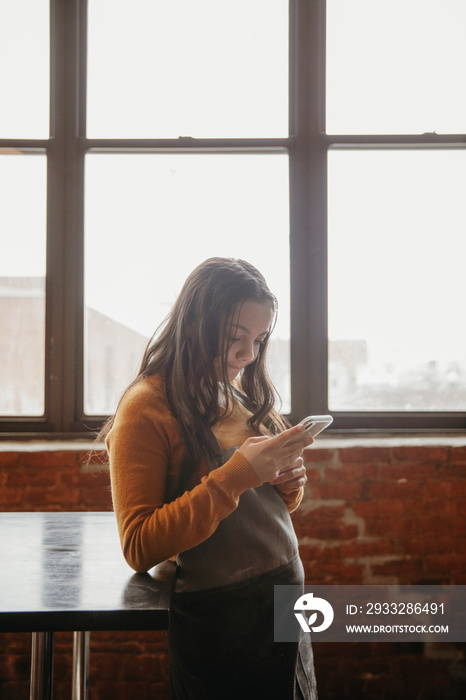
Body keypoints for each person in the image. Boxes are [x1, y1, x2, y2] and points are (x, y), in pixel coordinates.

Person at [103, 257, 318, 699]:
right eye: (234, 338)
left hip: (285, 595)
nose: (248, 355)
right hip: (220, 614)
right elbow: (139, 546)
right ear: (194, 324)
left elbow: (281, 508)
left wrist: (288, 480)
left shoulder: (240, 393)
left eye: (258, 340)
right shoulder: (146, 406)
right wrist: (238, 475)